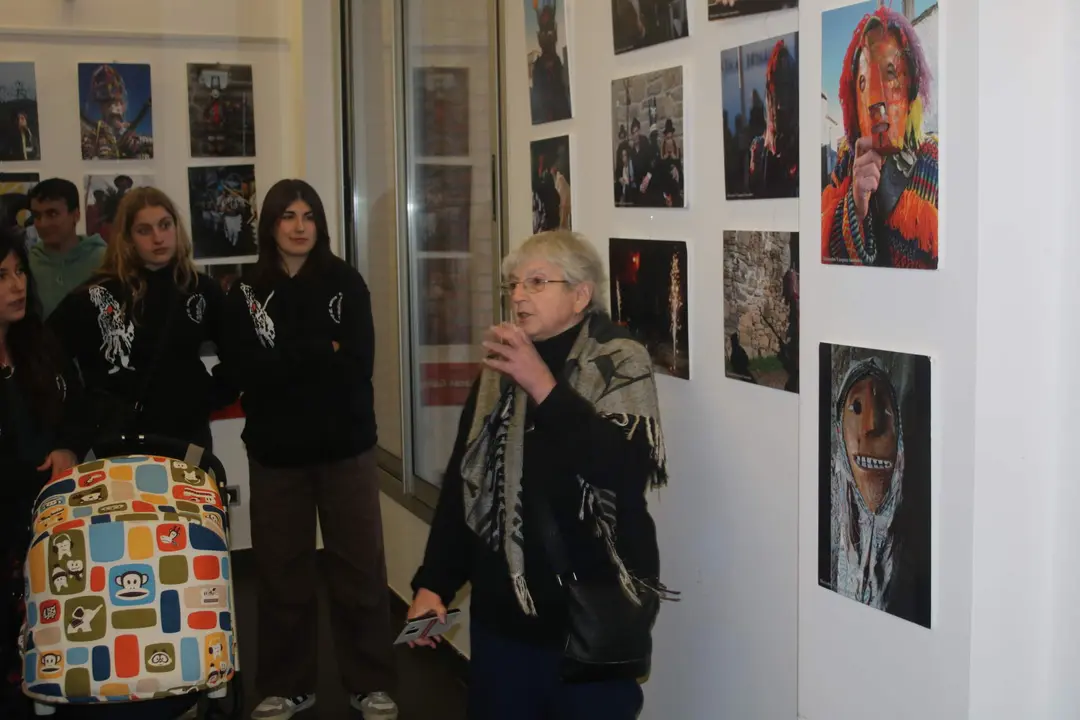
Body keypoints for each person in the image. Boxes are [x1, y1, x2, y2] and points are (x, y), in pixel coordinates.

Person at [408, 230, 670, 719]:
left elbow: (623, 468)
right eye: (513, 285)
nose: (519, 296)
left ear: (579, 295)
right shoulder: (502, 363)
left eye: (536, 282)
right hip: (502, 621)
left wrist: (543, 384)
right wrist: (434, 585)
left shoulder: (619, 359)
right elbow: (465, 484)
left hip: (589, 620)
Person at [220, 179, 397, 720]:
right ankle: (286, 685)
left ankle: (370, 683)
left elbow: (357, 363)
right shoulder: (246, 291)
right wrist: (322, 349)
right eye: (287, 216)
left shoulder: (346, 281)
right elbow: (245, 368)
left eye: (309, 216)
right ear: (270, 224)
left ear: (320, 224)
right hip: (276, 454)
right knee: (280, 574)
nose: (299, 226)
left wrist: (288, 360)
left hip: (346, 447)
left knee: (359, 570)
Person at [48, 187, 232, 450]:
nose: (158, 238)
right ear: (128, 238)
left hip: (187, 437)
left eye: (165, 225)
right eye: (144, 230)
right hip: (122, 440)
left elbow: (238, 350)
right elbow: (45, 352)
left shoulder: (200, 289)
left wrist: (210, 395)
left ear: (176, 228)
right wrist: (82, 409)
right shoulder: (99, 293)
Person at [0, 227, 86, 717]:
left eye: (20, 273)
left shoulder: (37, 340)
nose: (17, 286)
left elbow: (77, 403)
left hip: (48, 525)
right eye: (2, 275)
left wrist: (67, 446)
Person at [821, 5, 938, 269]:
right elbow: (827, 264)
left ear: (911, 90)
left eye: (891, 74)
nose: (877, 104)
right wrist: (856, 209)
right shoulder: (844, 169)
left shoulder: (936, 165)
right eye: (863, 83)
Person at [26, 179, 106, 319]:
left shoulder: (104, 260)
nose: (42, 224)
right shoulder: (27, 263)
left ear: (76, 215)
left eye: (52, 214)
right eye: (37, 216)